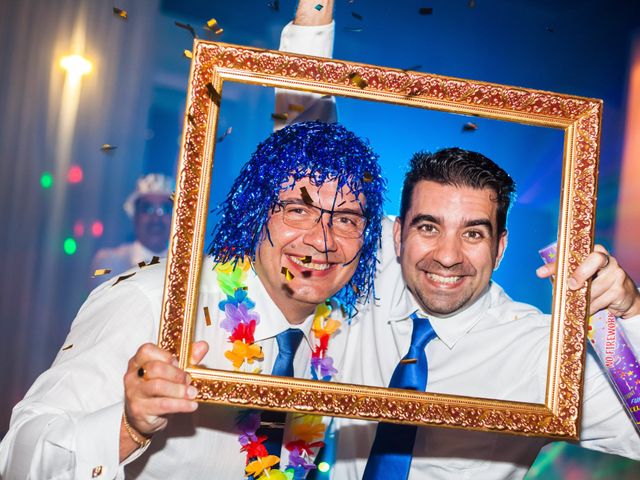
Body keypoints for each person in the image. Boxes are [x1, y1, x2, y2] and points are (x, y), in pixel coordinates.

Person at [0, 121, 386, 479]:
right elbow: (19, 455)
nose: (322, 240)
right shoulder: (155, 300)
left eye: (347, 219)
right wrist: (128, 426)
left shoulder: (335, 337)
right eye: (297, 210)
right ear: (255, 213)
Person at [331, 148, 640, 479]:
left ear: (500, 249)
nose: (448, 256)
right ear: (396, 234)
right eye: (428, 228)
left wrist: (632, 311)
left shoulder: (541, 352)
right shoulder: (367, 269)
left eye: (473, 233)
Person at [89, 173, 174, 287]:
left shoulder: (184, 266)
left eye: (165, 209)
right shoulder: (109, 263)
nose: (156, 218)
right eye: (148, 209)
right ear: (135, 216)